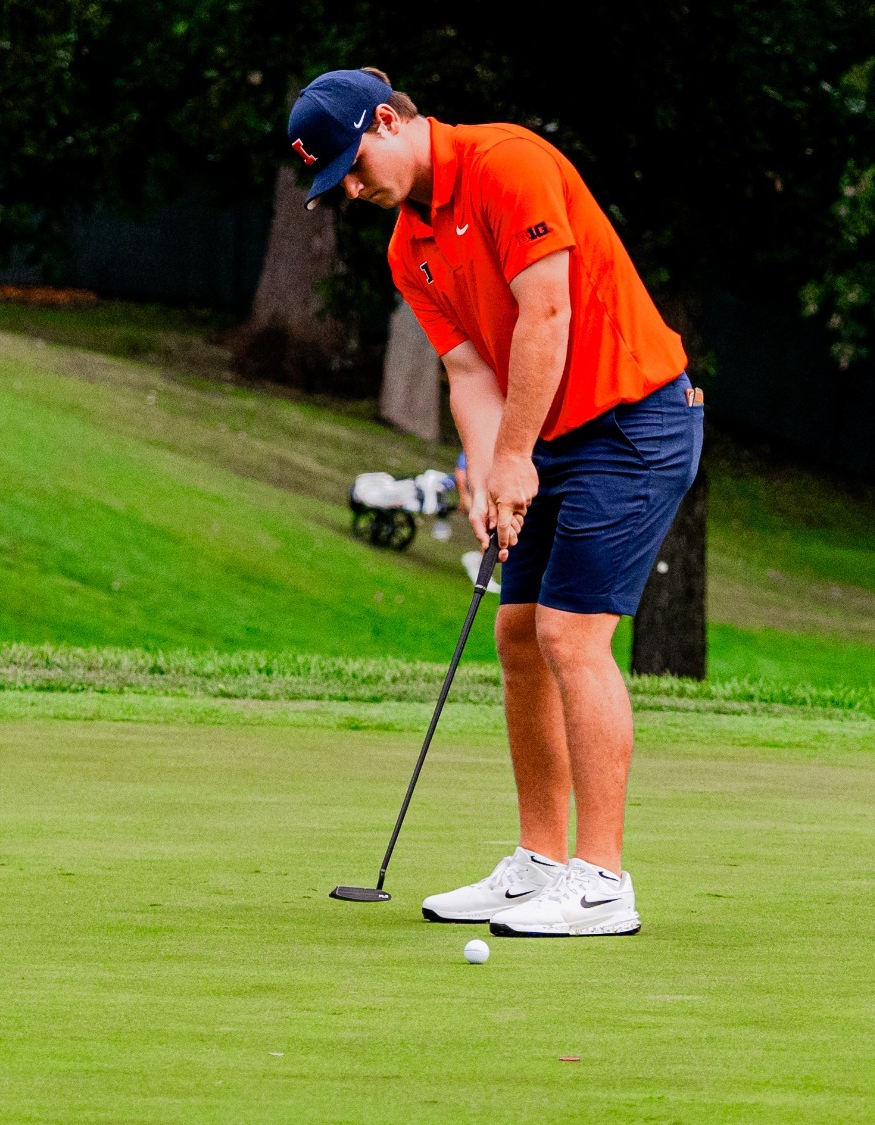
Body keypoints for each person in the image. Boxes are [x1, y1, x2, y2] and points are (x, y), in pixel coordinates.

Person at [287, 68, 701, 937]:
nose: (355, 190)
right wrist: (485, 474)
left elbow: (545, 315)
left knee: (568, 632)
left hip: (632, 422)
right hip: (547, 432)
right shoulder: (411, 247)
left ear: (390, 120)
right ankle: (541, 861)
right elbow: (470, 369)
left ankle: (602, 878)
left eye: (355, 167)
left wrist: (516, 456)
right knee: (517, 633)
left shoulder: (509, 164)